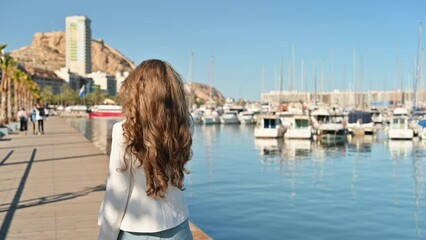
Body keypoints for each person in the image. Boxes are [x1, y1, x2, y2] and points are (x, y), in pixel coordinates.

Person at [98, 60, 193, 240]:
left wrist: (105, 237)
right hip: (179, 228)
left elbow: (117, 193)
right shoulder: (186, 127)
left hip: (137, 233)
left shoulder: (124, 132)